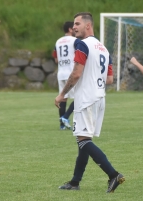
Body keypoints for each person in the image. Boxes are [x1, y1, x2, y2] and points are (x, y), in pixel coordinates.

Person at [54, 12, 125, 193]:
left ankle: (113, 174)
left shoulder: (82, 44)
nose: (74, 27)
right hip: (99, 98)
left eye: (77, 23)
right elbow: (109, 79)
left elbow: (76, 73)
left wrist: (62, 94)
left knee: (84, 140)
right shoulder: (103, 48)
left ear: (88, 26)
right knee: (83, 141)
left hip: (86, 99)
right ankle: (75, 182)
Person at [52, 21, 77, 130]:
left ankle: (62, 125)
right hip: (71, 73)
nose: (76, 29)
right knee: (80, 97)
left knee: (63, 98)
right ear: (70, 29)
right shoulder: (75, 41)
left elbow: (56, 59)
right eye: (74, 27)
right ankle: (65, 117)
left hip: (61, 73)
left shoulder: (58, 42)